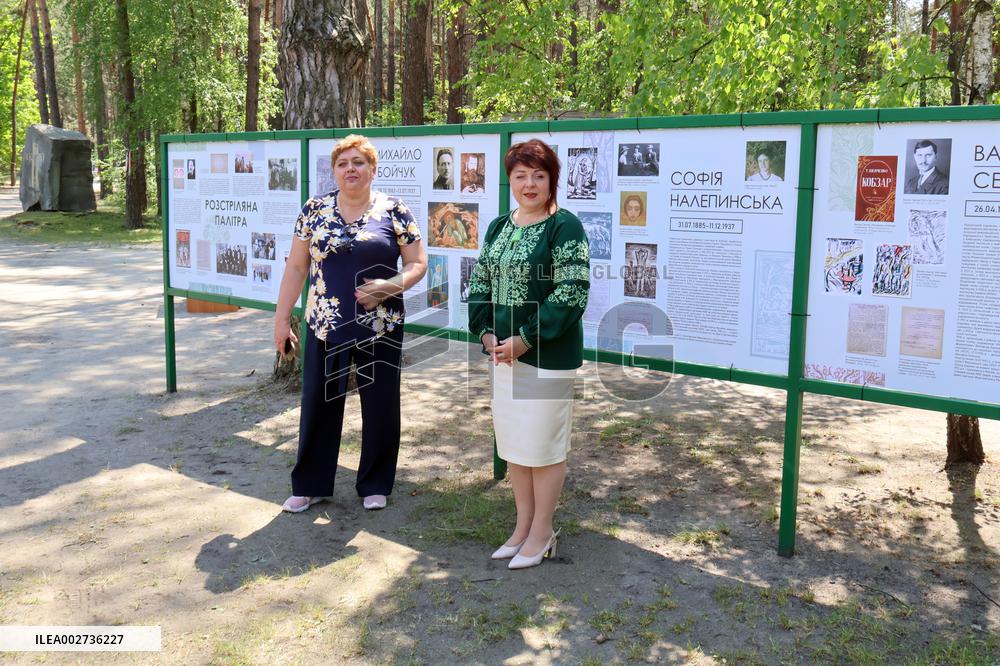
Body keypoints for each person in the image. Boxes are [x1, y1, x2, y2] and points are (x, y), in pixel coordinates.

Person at [273, 134, 428, 514]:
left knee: (380, 406)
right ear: (334, 172)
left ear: (373, 169)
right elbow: (296, 267)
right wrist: (282, 319)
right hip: (325, 323)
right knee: (318, 404)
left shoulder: (394, 209)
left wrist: (389, 286)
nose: (351, 169)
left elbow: (418, 263)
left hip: (381, 325)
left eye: (359, 162)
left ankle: (375, 483)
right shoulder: (314, 210)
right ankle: (311, 484)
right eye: (343, 164)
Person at [468, 139, 590, 570]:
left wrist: (525, 337)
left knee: (543, 446)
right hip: (503, 358)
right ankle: (521, 527)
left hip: (546, 357)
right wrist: (485, 332)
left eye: (539, 175)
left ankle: (543, 531)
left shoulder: (565, 227)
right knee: (515, 446)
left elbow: (573, 292)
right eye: (520, 175)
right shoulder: (500, 226)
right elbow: (480, 281)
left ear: (552, 179)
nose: (529, 183)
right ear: (510, 181)